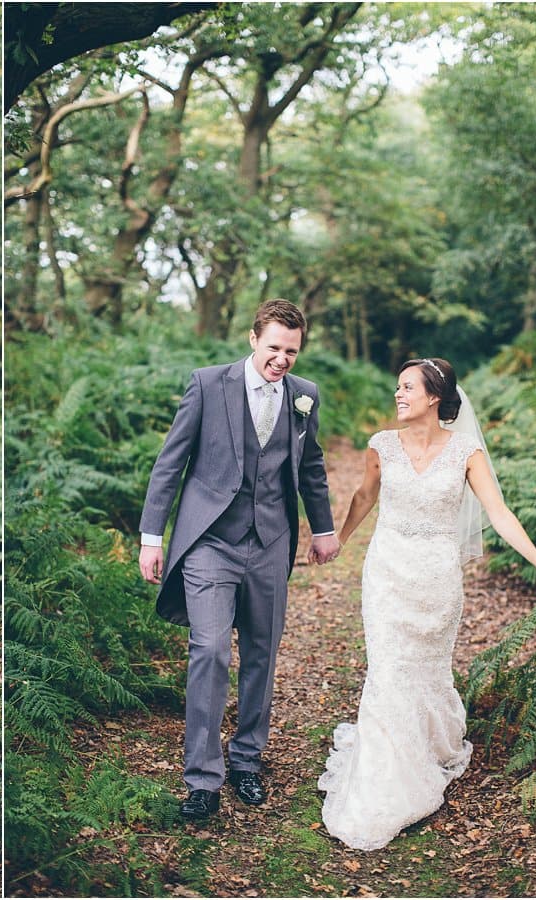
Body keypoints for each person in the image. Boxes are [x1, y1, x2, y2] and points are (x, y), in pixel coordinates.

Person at [318, 357, 536, 851]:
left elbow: (499, 512)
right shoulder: (381, 446)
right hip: (387, 573)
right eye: (397, 387)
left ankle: (428, 745)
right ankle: (384, 783)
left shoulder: (466, 452)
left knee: (426, 671)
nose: (398, 394)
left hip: (436, 580)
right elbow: (364, 498)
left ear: (434, 396)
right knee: (387, 671)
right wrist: (339, 539)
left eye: (407, 387)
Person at [137, 298, 340, 822]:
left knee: (261, 653)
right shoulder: (208, 384)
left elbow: (311, 466)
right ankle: (203, 777)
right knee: (209, 651)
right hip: (210, 541)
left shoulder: (305, 398)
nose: (282, 359)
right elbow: (171, 462)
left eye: (291, 351)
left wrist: (323, 528)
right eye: (274, 347)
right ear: (253, 339)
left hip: (271, 543)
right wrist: (150, 537)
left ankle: (247, 760)